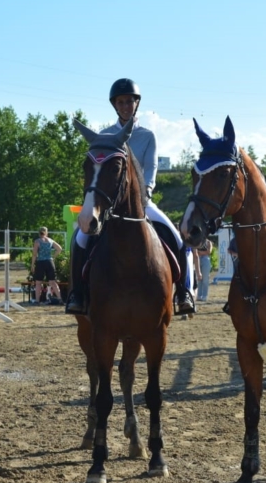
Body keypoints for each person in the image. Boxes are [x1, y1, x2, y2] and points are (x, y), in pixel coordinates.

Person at [65, 78, 196, 316]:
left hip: (141, 202)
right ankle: (77, 294)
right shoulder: (104, 135)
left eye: (130, 101)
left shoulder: (147, 136)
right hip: (109, 205)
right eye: (121, 102)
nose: (126, 106)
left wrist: (145, 192)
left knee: (177, 238)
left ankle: (183, 292)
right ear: (115, 105)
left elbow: (151, 167)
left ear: (137, 104)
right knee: (80, 238)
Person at [31, 227, 63, 305]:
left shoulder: (37, 241)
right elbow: (59, 249)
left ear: (39, 233)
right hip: (49, 262)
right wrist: (53, 257)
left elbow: (35, 254)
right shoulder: (50, 240)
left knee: (38, 282)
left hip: (40, 262)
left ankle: (37, 300)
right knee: (53, 282)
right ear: (46, 233)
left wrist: (32, 265)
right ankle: (60, 299)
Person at [196, 237, 212, 302]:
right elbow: (196, 252)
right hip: (198, 259)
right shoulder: (197, 241)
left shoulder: (208, 242)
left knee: (205, 279)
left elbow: (209, 252)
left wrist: (200, 252)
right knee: (199, 279)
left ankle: (204, 295)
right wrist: (202, 252)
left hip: (205, 259)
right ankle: (199, 295)